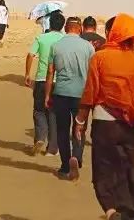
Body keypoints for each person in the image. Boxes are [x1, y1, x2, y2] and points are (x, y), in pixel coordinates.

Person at [74, 13, 134, 220]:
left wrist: (80, 121)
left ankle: (111, 210)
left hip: (104, 123)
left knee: (103, 167)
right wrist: (132, 100)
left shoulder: (99, 57)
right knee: (129, 167)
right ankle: (130, 209)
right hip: (131, 125)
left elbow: (90, 93)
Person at [44, 16, 95, 180]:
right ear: (80, 29)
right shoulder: (88, 47)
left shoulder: (56, 46)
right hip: (81, 95)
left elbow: (50, 72)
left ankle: (65, 165)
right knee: (79, 128)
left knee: (62, 130)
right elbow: (92, 74)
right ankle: (77, 157)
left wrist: (47, 95)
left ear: (65, 28)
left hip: (61, 93)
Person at [25, 10, 65, 156]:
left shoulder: (41, 38)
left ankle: (40, 137)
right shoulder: (65, 40)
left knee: (39, 110)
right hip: (59, 81)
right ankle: (52, 148)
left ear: (50, 24)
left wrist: (27, 74)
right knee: (54, 114)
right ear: (62, 25)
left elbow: (30, 55)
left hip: (42, 79)